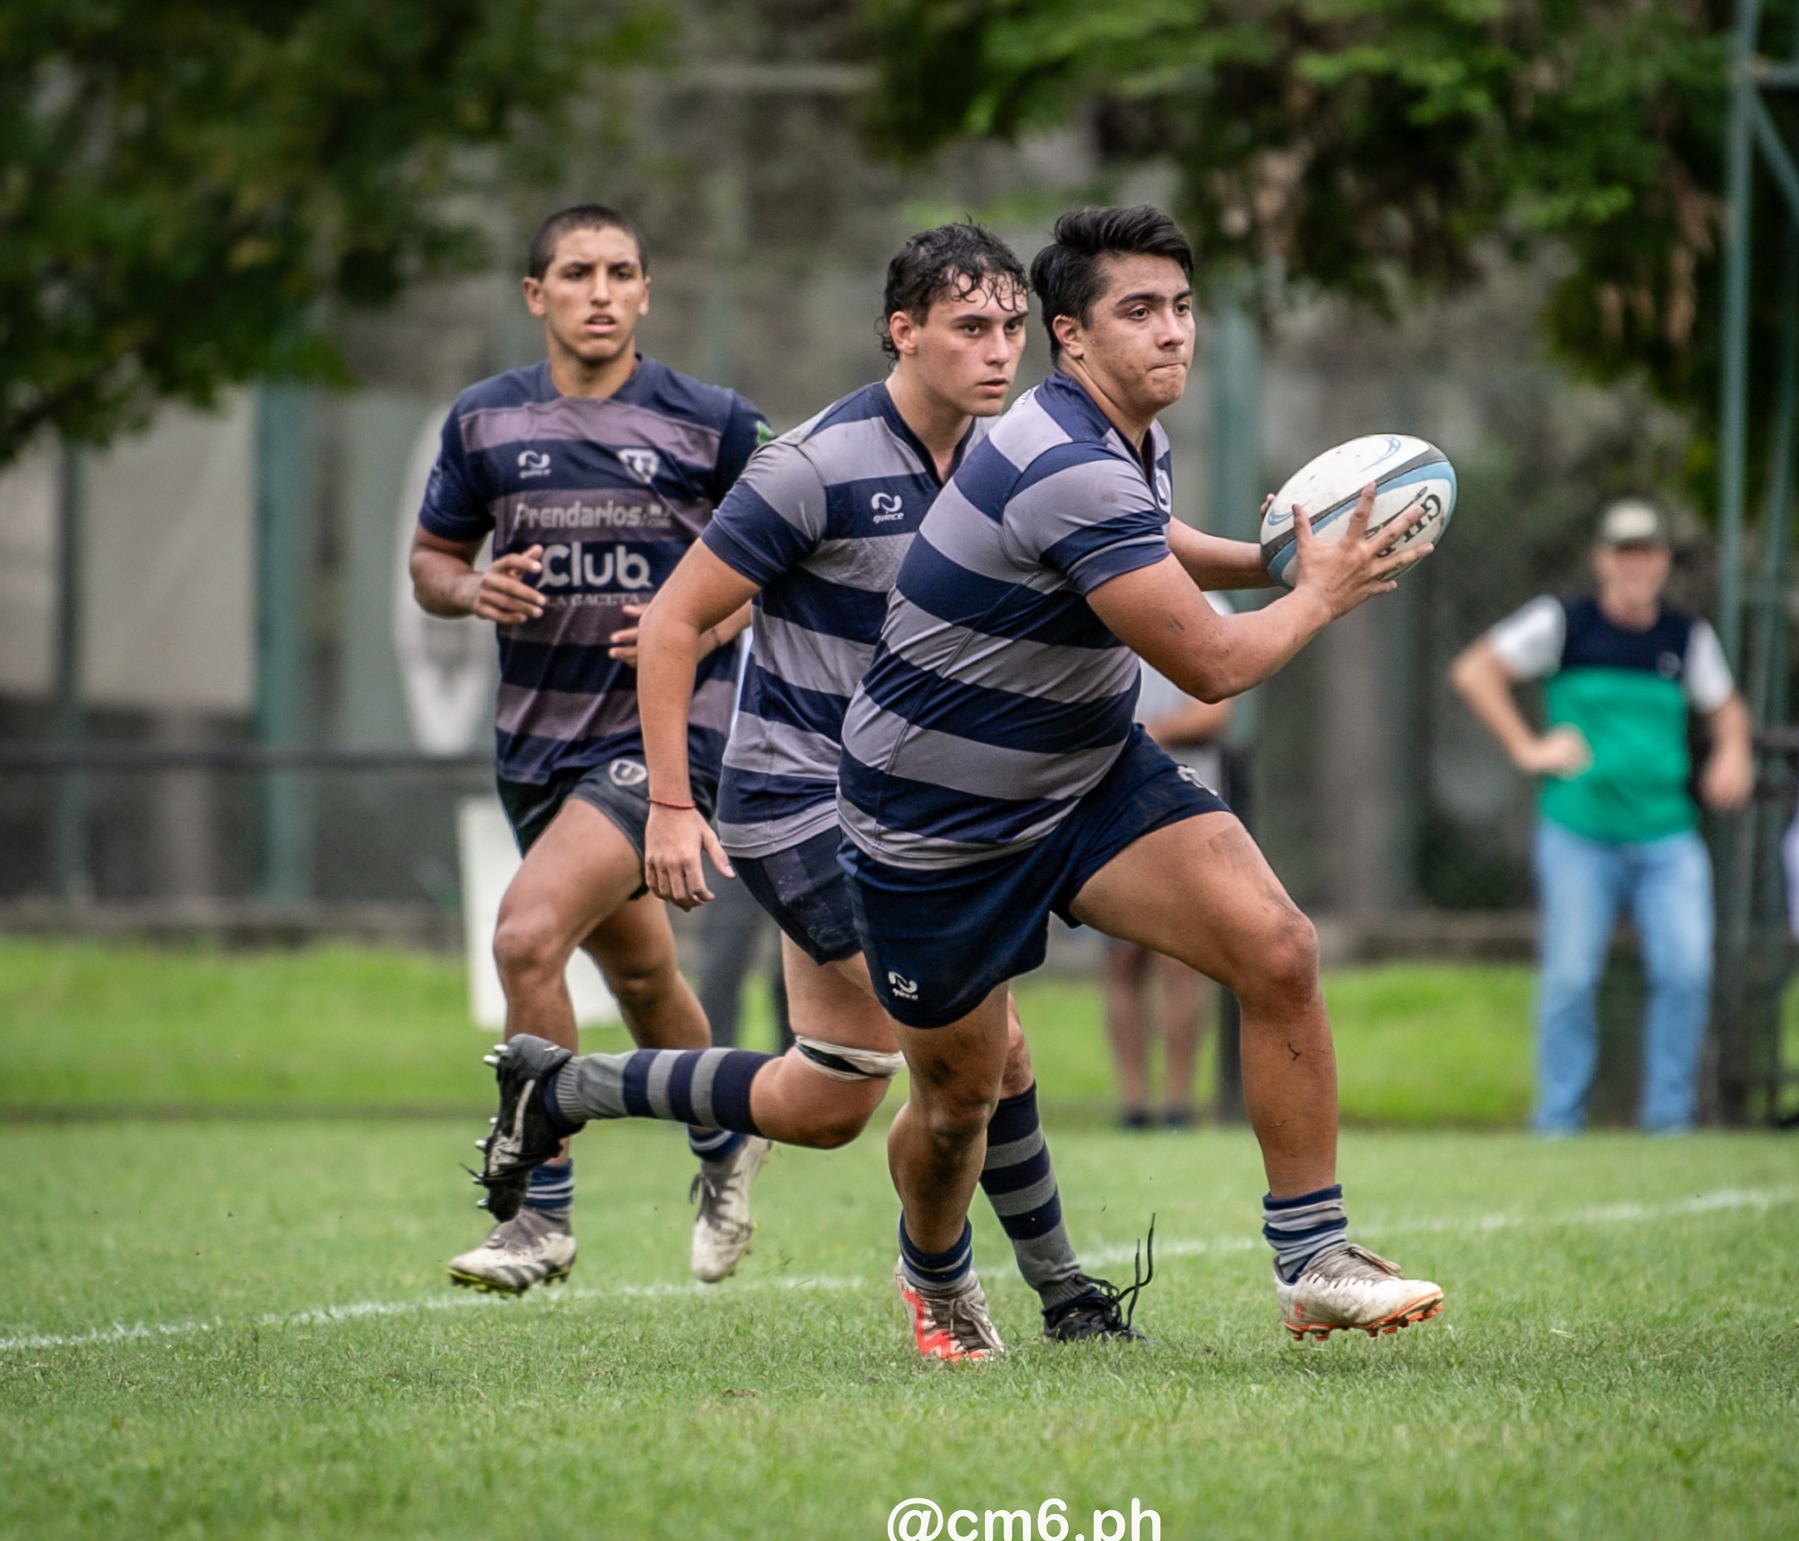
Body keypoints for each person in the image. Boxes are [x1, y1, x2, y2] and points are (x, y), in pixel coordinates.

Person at [473, 223, 1145, 1340]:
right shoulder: (817, 460)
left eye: (1011, 328)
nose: (998, 352)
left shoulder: (1012, 458)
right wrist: (675, 811)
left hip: (921, 802)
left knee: (832, 1096)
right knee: (992, 1047)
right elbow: (682, 616)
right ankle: (1059, 1291)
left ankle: (565, 1086)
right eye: (970, 328)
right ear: (903, 331)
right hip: (803, 803)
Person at [832, 204, 1446, 1361]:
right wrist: (1318, 590)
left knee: (1276, 947)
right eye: (1138, 312)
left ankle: (1312, 1258)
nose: (1172, 334)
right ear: (1069, 335)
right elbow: (1209, 661)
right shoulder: (1062, 462)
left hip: (1082, 770)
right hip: (936, 827)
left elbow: (1154, 535)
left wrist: (1278, 552)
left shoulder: (1116, 438)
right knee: (959, 1102)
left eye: (1181, 308)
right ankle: (935, 1271)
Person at [411, 204, 767, 1295]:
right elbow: (431, 560)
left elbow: (776, 565)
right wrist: (472, 588)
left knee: (525, 936)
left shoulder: (711, 423)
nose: (600, 290)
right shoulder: (483, 422)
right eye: (577, 273)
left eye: (621, 271)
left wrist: (691, 625)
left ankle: (539, 1217)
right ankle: (723, 1145)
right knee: (645, 970)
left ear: (646, 293)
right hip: (532, 741)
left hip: (658, 739)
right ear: (537, 295)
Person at [1449, 499, 1753, 1135]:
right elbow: (1476, 671)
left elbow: (1727, 710)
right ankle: (1558, 1124)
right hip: (1578, 832)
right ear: (1602, 560)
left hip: (1667, 834)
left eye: (1647, 552)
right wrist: (1527, 748)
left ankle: (1669, 1121)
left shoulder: (1685, 637)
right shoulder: (1565, 623)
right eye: (1623, 552)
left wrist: (1733, 749)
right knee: (1570, 979)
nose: (1635, 565)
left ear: (1664, 561)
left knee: (1685, 971)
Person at [1106, 594, 1235, 1129]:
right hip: (1108, 799)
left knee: (1182, 963)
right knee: (1122, 961)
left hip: (1185, 801)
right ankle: (1134, 1103)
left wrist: (1144, 735)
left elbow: (1215, 709)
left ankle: (1179, 1102)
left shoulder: (1212, 608)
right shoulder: (1103, 595)